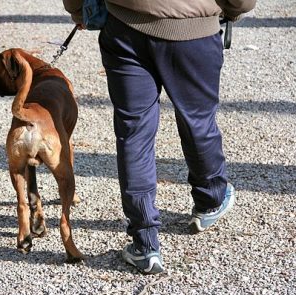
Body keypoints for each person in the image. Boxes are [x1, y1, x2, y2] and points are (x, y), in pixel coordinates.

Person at [63, 0, 256, 274]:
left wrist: (79, 9)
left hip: (125, 25)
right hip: (194, 29)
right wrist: (235, 9)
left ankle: (145, 242)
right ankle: (210, 199)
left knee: (134, 133)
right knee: (198, 120)